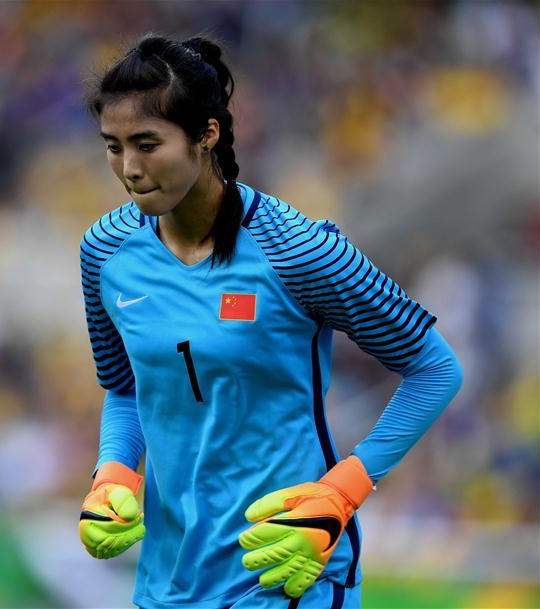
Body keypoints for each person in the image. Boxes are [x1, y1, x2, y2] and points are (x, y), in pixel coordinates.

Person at [76, 34, 463, 609]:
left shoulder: (298, 250)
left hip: (286, 575)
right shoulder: (105, 251)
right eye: (113, 147)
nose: (128, 169)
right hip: (167, 584)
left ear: (207, 134)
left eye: (147, 144)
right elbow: (126, 389)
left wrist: (342, 493)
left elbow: (435, 369)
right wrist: (111, 472)